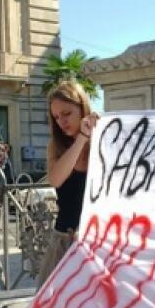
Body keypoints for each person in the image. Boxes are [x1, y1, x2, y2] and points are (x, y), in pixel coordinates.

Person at [40, 81, 99, 285]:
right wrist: (81, 138)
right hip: (64, 242)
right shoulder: (56, 146)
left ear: (82, 108)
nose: (61, 122)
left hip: (96, 244)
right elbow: (56, 179)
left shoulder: (104, 141)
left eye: (67, 114)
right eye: (56, 117)